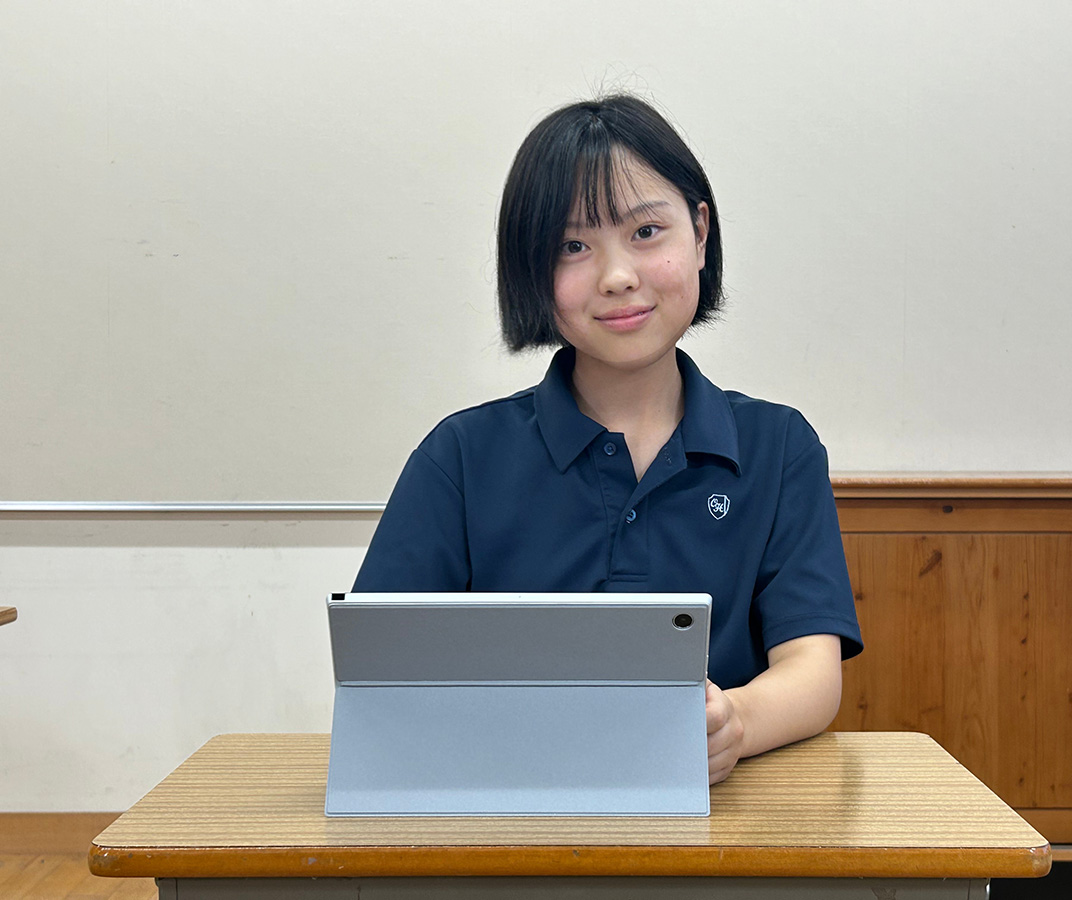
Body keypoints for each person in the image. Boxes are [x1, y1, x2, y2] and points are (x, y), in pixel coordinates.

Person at [354, 94, 863, 784]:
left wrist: (734, 723)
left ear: (701, 231)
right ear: (532, 270)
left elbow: (811, 670)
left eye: (646, 233)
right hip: (506, 818)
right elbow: (382, 676)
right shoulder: (460, 457)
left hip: (724, 827)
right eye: (572, 246)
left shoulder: (778, 446)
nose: (617, 275)